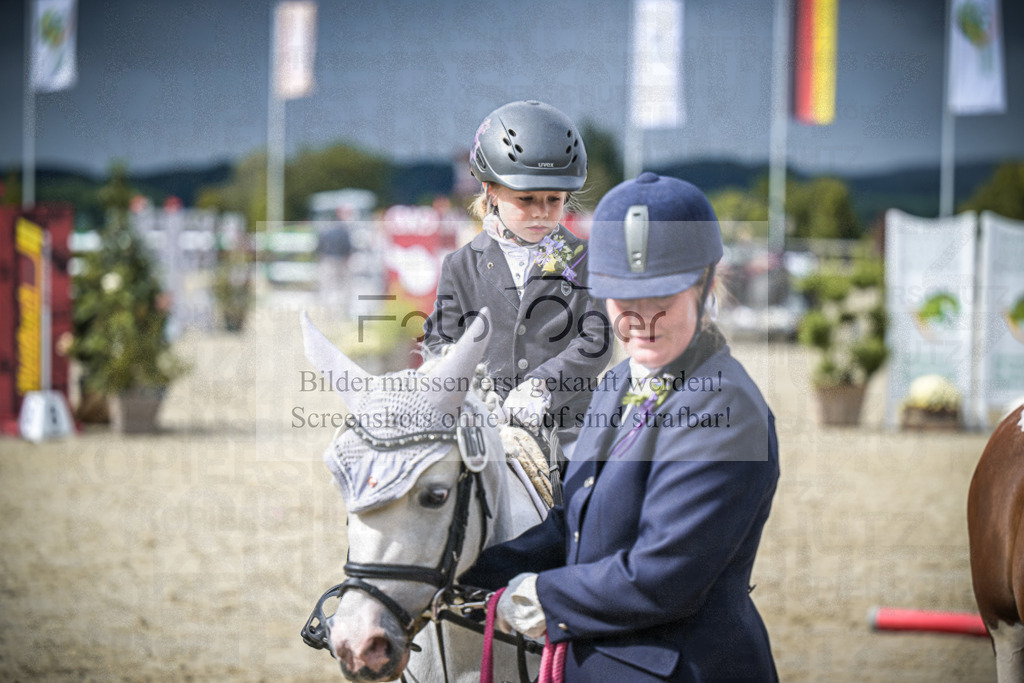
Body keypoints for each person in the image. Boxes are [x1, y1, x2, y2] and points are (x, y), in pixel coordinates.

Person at [460, 172, 780, 681]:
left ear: (704, 280)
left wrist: (544, 596)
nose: (642, 321)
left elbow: (662, 577)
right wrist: (465, 570)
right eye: (623, 302)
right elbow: (571, 525)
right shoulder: (615, 385)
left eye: (662, 301)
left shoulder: (728, 411)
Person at [423, 100, 611, 457]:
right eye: (525, 200)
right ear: (491, 190)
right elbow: (440, 340)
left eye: (553, 200)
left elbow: (595, 341)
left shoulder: (586, 260)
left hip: (567, 427)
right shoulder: (460, 266)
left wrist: (543, 387)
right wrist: (464, 385)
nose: (541, 212)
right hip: (485, 428)